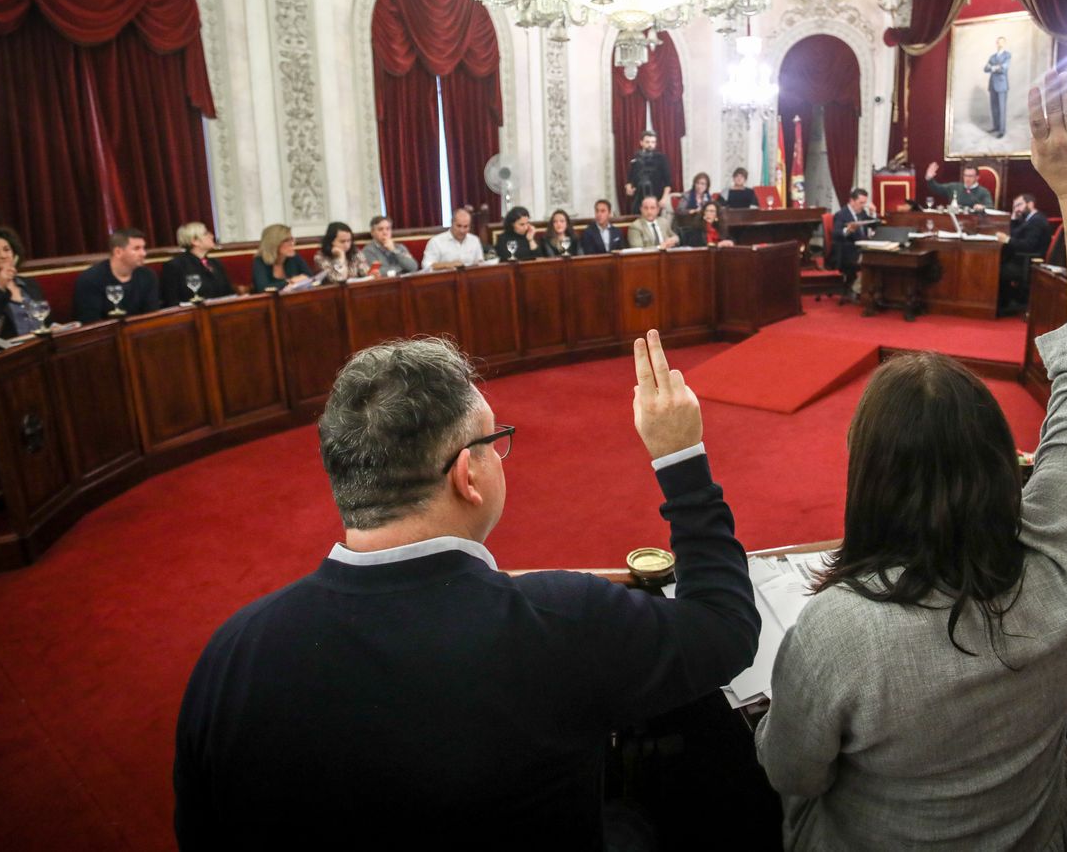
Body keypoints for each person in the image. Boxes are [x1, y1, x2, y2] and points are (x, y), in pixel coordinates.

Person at [173, 331, 758, 845]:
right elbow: (725, 627)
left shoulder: (232, 652)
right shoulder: (561, 621)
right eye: (494, 441)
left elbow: (200, 830)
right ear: (466, 475)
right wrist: (681, 456)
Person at [756, 72, 1067, 849]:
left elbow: (789, 771)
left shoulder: (839, 629)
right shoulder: (1062, 562)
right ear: (1001, 459)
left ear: (867, 475)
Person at [73, 229, 159, 323]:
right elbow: (90, 322)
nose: (143, 253)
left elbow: (152, 315)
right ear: (118, 252)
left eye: (144, 248)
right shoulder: (90, 279)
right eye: (137, 248)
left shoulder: (148, 275)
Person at [998, 192, 1054, 314]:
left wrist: (1007, 240)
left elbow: (1028, 246)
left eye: (1019, 205)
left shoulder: (1036, 221)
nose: (1017, 209)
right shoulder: (1029, 219)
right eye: (1014, 206)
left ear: (1030, 204)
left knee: (997, 270)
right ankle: (1008, 301)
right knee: (1000, 263)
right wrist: (1014, 217)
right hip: (1022, 259)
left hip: (1028, 262)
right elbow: (1015, 234)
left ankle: (1006, 304)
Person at [161, 222, 235, 306]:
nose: (211, 236)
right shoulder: (175, 266)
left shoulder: (215, 263)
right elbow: (171, 300)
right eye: (206, 233)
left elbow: (229, 293)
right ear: (195, 241)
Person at [829, 188, 876, 295]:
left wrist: (873, 213)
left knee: (878, 258)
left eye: (865, 203)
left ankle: (864, 289)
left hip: (862, 248)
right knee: (872, 261)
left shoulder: (862, 212)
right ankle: (858, 288)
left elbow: (874, 225)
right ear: (852, 201)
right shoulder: (841, 215)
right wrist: (848, 230)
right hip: (847, 251)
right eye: (861, 203)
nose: (863, 206)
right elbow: (836, 234)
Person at [252, 224, 311, 291]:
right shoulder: (260, 261)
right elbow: (263, 288)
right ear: (274, 243)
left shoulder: (294, 257)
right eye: (286, 240)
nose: (292, 243)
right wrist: (290, 281)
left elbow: (309, 277)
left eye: (292, 239)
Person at [625, 129, 673, 212]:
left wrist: (664, 198)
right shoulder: (636, 158)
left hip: (655, 197)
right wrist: (628, 187)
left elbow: (668, 182)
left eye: (653, 142)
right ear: (641, 143)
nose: (650, 145)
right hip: (638, 198)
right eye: (647, 142)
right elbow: (630, 178)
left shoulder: (661, 158)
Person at [923, 162, 993, 210]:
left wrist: (982, 207)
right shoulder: (954, 187)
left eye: (970, 176)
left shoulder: (983, 192)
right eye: (965, 175)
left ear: (977, 177)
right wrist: (929, 178)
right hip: (954, 220)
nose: (967, 178)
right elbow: (936, 188)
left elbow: (990, 207)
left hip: (974, 222)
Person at [985, 36, 1011, 138]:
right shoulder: (992, 57)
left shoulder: (1007, 55)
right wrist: (996, 67)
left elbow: (1004, 68)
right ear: (996, 44)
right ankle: (996, 127)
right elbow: (985, 69)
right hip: (992, 85)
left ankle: (1002, 131)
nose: (1000, 44)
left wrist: (992, 67)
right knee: (994, 108)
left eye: (1001, 42)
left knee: (1001, 108)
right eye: (998, 42)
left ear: (1004, 44)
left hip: (1002, 85)